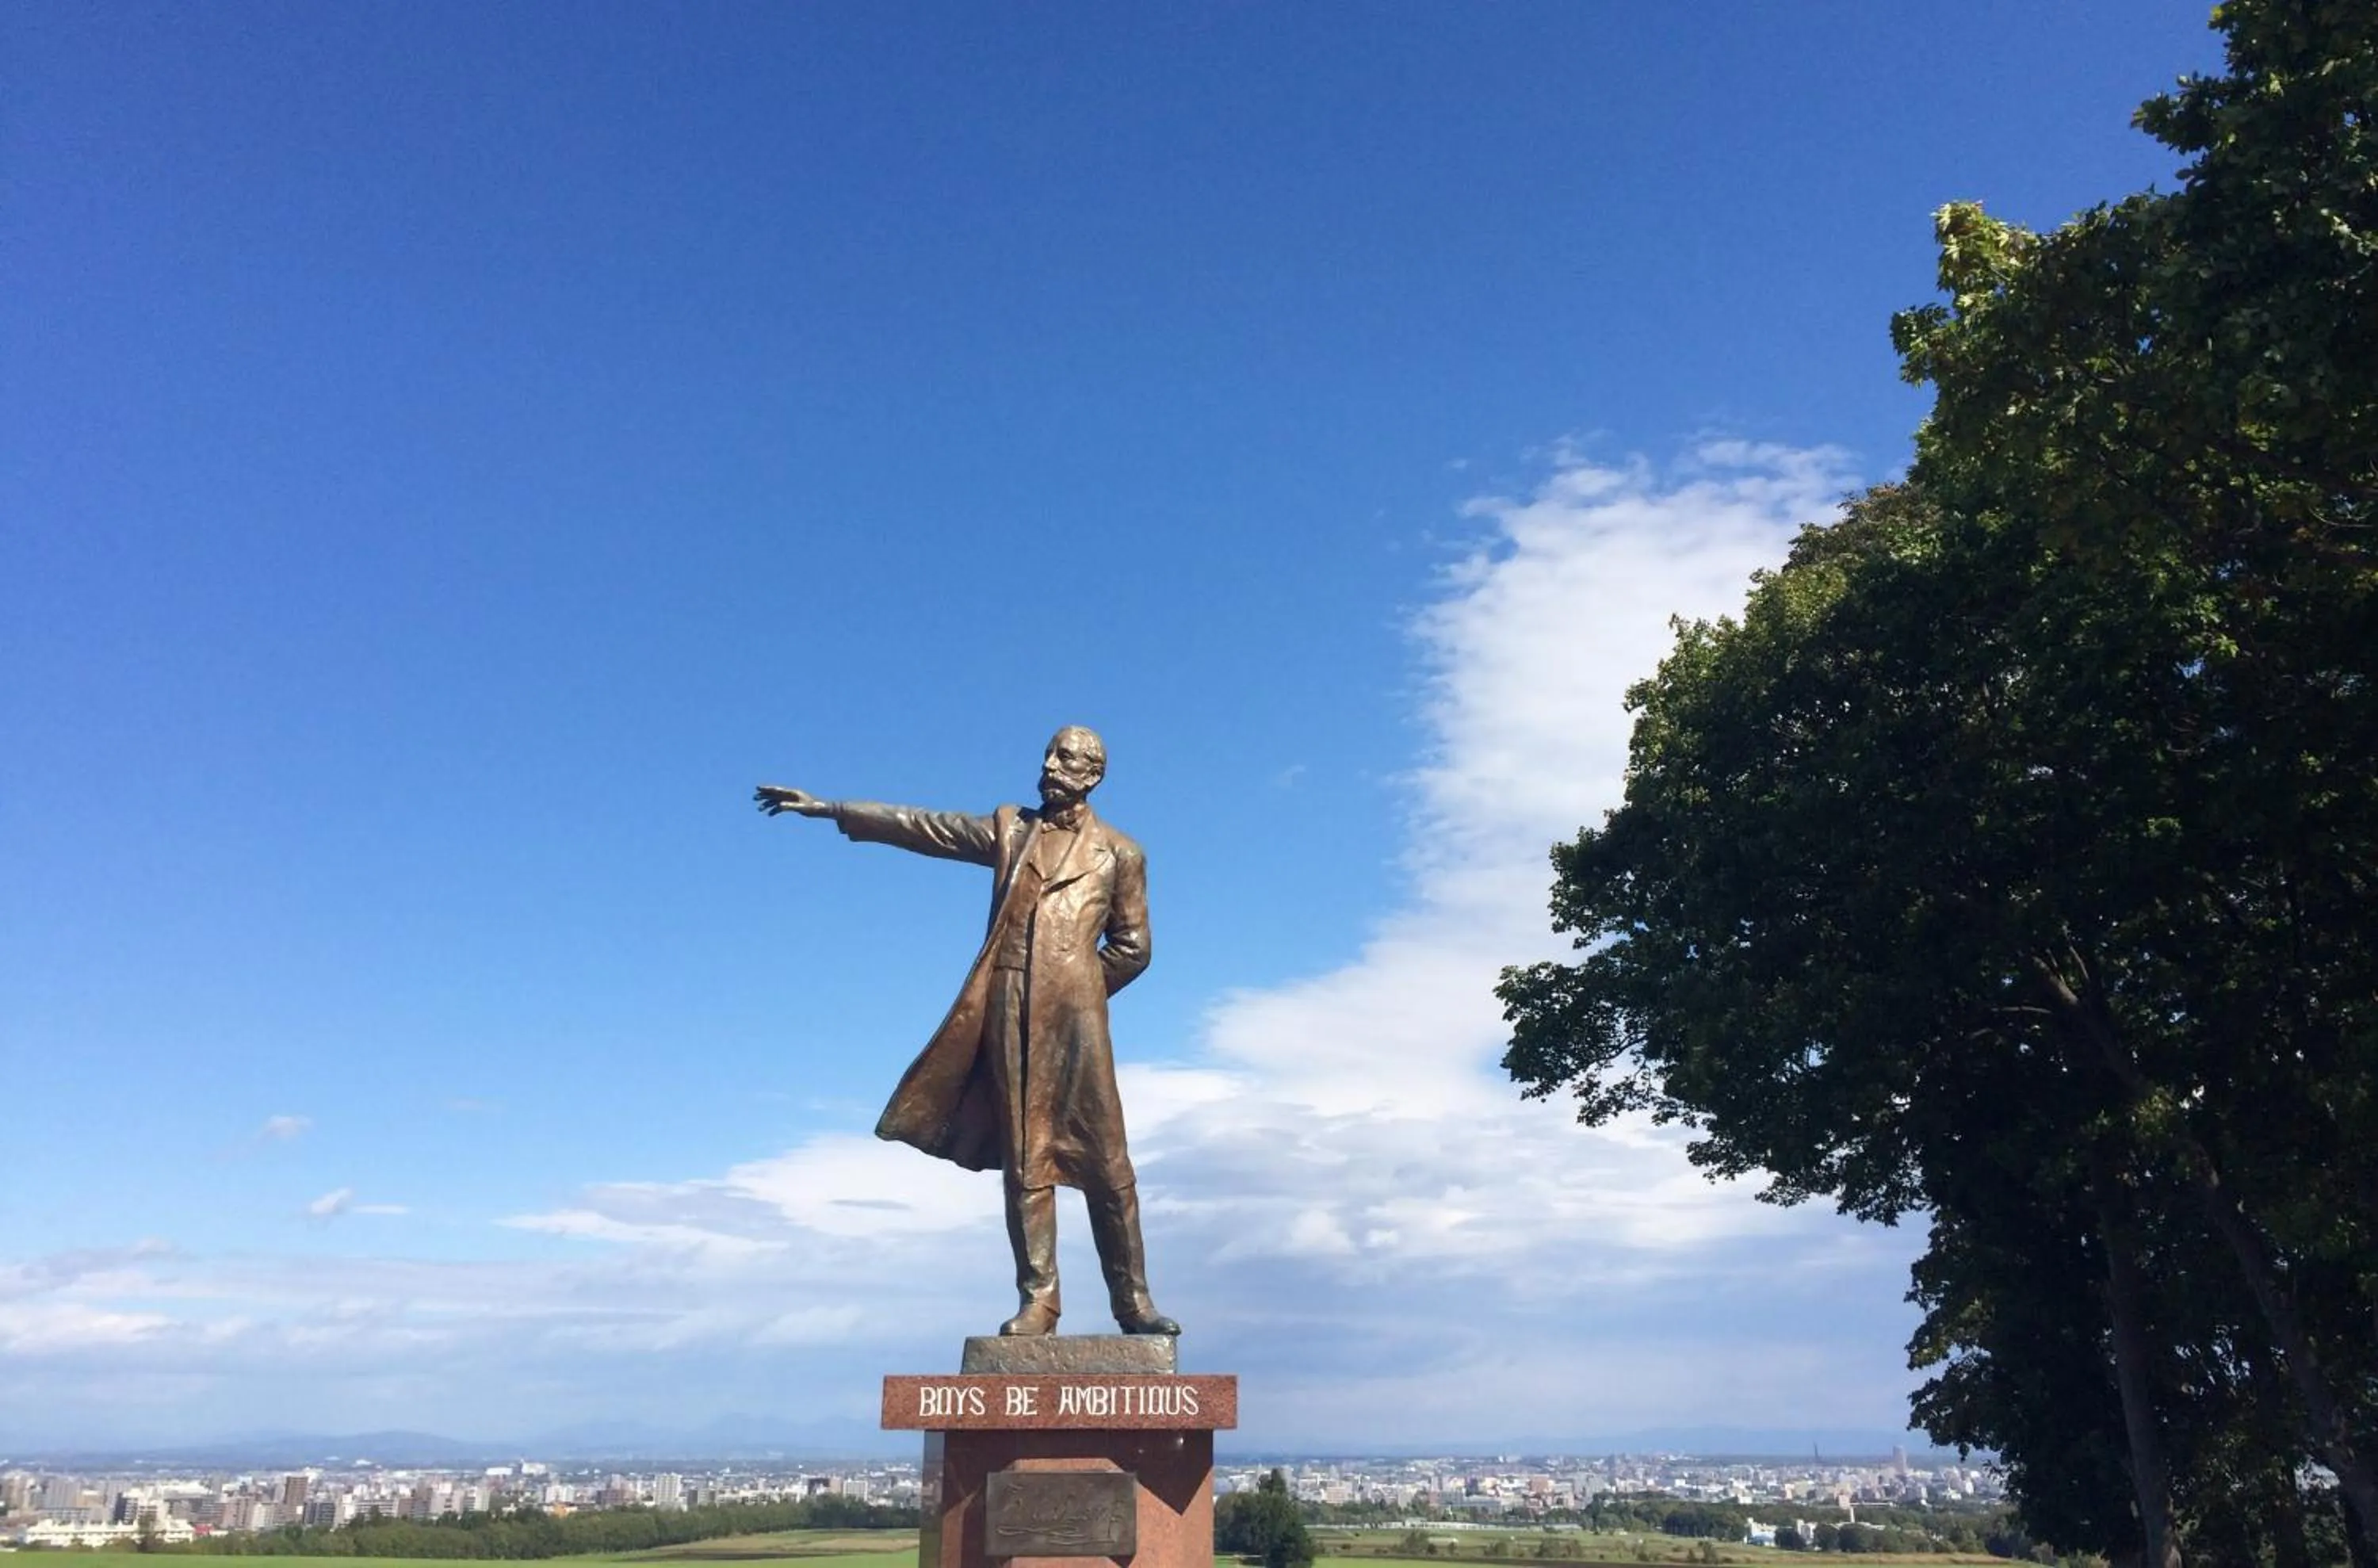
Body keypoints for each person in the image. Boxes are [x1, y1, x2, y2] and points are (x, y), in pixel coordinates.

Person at [755, 726, 1180, 1337]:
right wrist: (831, 809)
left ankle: (1133, 1302)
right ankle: (1040, 1301)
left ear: (1092, 774)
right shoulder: (1011, 828)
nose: (1049, 764)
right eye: (1048, 753)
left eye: (1064, 757)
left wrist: (1075, 988)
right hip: (1008, 1008)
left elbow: (1133, 947)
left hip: (1077, 1021)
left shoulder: (1121, 853)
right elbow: (927, 827)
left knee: (1107, 1160)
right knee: (1025, 1157)